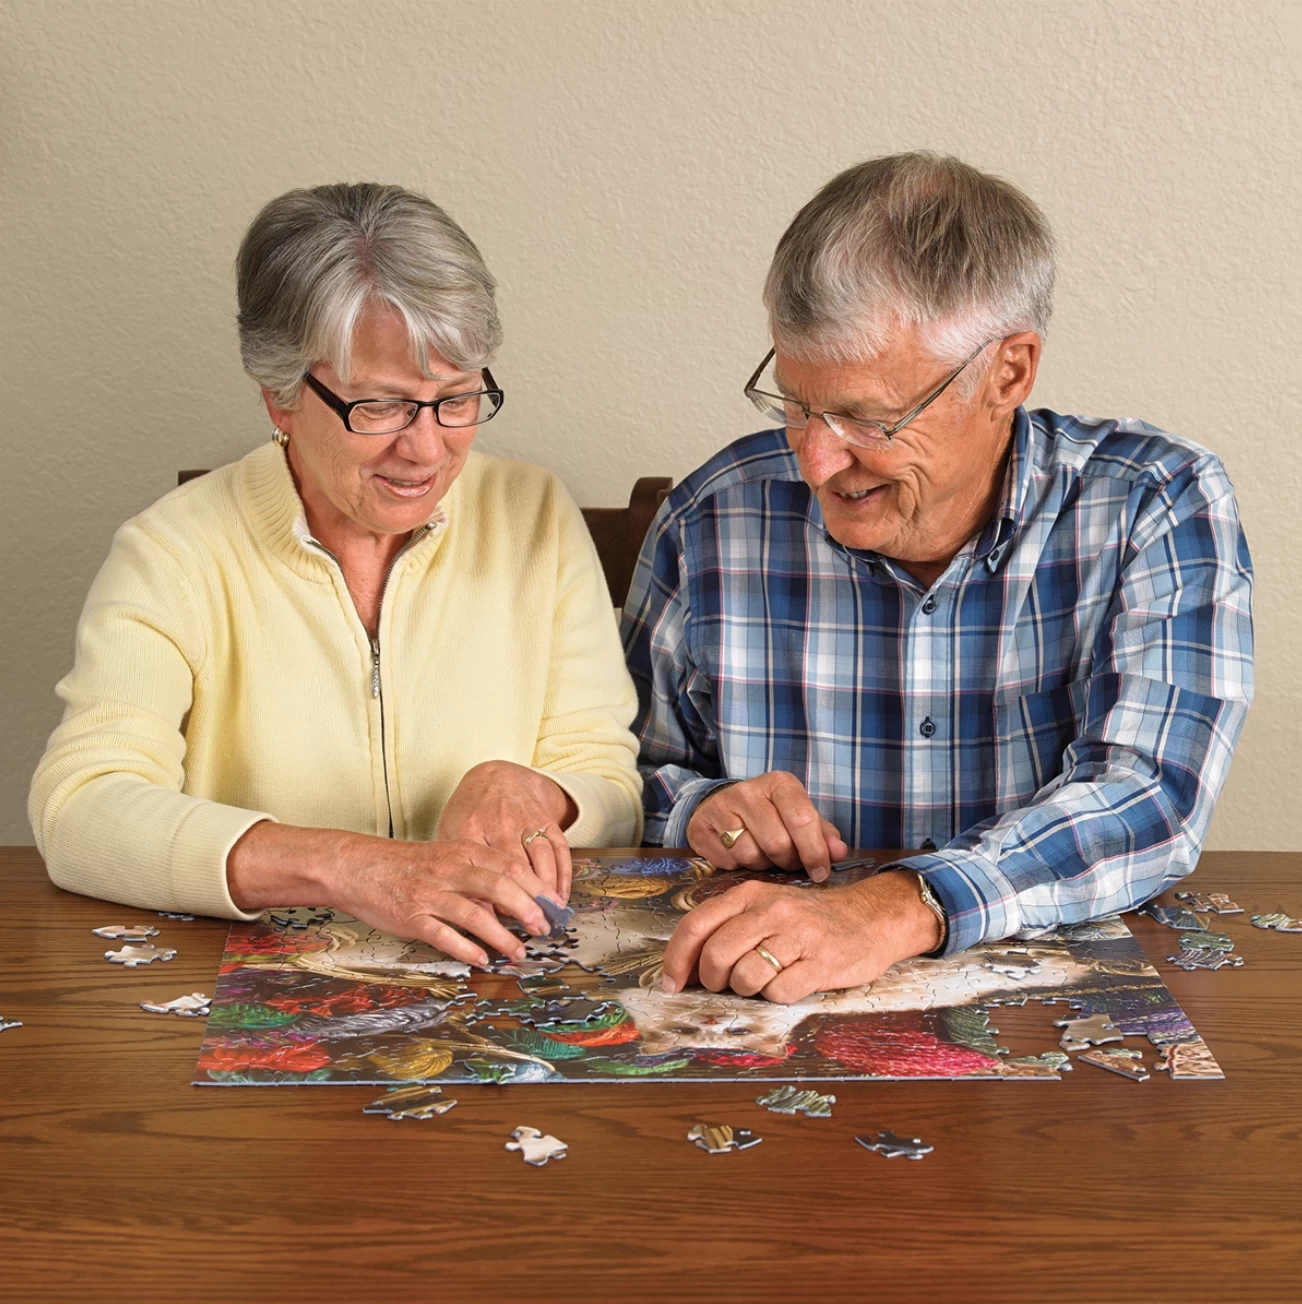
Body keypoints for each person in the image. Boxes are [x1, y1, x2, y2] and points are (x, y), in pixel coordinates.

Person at [624, 152, 1254, 1003]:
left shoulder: (1154, 503)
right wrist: (698, 808)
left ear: (1009, 373)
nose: (816, 460)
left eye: (868, 418)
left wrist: (897, 908)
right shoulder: (712, 517)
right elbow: (621, 767)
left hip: (1052, 1017)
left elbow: (1151, 797)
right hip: (759, 1008)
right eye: (798, 403)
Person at [30, 182, 642, 967]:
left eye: (455, 399)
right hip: (260, 994)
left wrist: (534, 790)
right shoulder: (173, 551)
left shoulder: (533, 515)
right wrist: (351, 867)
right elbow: (79, 809)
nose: (426, 449)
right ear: (281, 399)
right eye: (380, 407)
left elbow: (612, 784)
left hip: (498, 984)